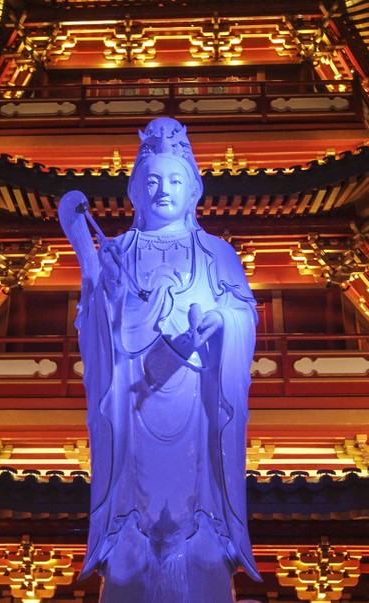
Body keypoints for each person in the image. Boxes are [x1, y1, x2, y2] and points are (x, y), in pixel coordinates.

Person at [59, 118, 260, 602]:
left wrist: (220, 325)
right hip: (132, 400)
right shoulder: (120, 250)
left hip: (197, 400)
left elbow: (242, 313)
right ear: (134, 191)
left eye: (174, 181)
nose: (163, 190)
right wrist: (101, 289)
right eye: (151, 181)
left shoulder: (216, 252)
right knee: (133, 532)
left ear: (193, 190)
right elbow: (94, 327)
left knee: (201, 531)